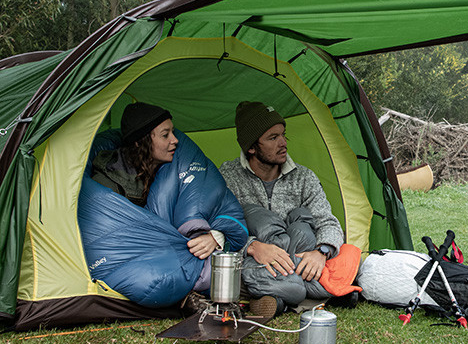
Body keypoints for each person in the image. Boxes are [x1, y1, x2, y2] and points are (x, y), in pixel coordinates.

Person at [219, 101, 348, 314]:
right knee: (229, 267)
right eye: (273, 138)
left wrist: (321, 252)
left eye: (283, 135)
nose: (283, 143)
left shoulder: (303, 178)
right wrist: (252, 247)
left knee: (345, 257)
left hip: (298, 257)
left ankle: (275, 297)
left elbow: (327, 221)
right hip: (257, 261)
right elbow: (218, 225)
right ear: (251, 147)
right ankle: (300, 294)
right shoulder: (229, 176)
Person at [91, 102, 221, 261]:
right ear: (141, 142)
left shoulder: (174, 170)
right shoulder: (107, 183)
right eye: (165, 135)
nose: (175, 140)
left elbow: (212, 203)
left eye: (173, 132)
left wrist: (214, 236)